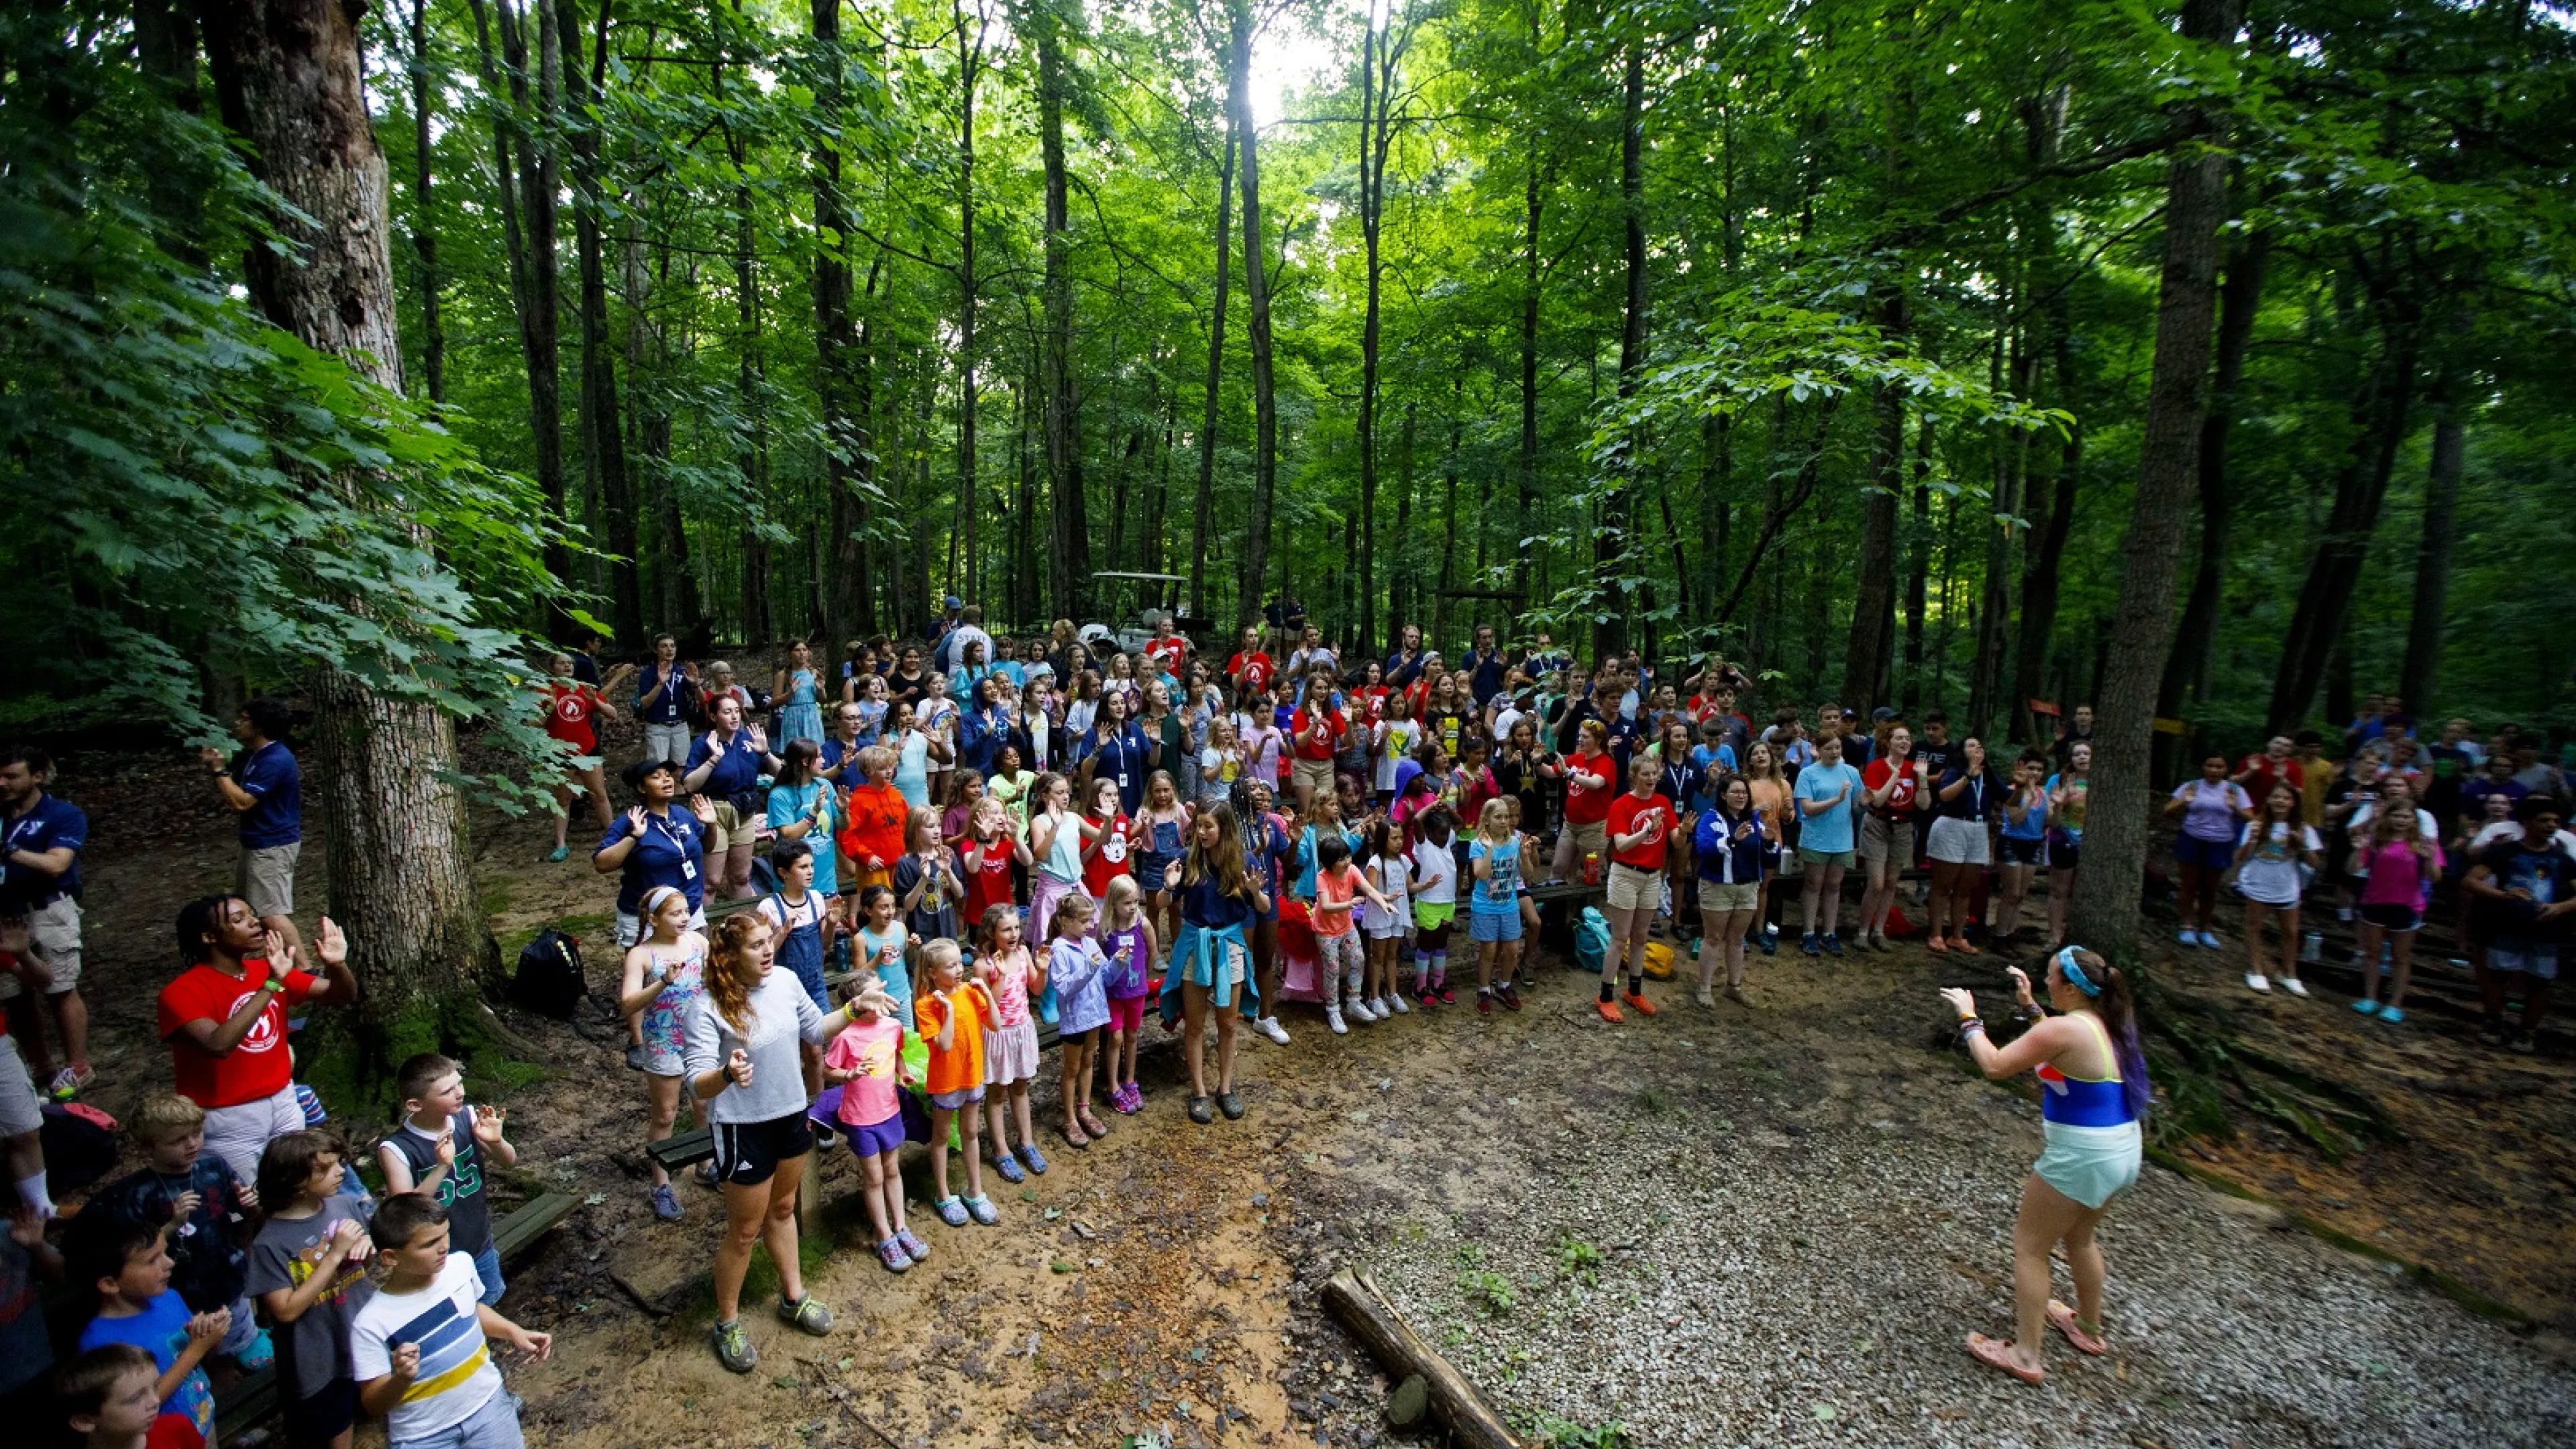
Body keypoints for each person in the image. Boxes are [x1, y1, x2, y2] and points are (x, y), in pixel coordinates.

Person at [1941, 945, 2149, 1385]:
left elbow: (1996, 1065)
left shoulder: (2063, 1031)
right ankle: (2089, 1328)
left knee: (2031, 1249)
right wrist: (2031, 1006)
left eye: (2051, 975)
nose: (2045, 979)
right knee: (2081, 1238)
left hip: (2083, 1156)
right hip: (2123, 1150)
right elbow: (2060, 1049)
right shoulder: (2106, 1024)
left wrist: (1968, 1017)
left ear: (2071, 988)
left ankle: (2026, 1354)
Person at [682, 914, 858, 1372]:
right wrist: (726, 1074)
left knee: (783, 1209)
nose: (767, 951)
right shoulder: (708, 1005)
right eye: (756, 945)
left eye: (769, 942)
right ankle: (726, 1323)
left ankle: (793, 1296)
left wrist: (858, 1009)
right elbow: (696, 1085)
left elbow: (815, 1030)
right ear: (729, 957)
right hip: (743, 1128)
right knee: (744, 1231)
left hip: (791, 1114)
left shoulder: (784, 980)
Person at [157, 902, 357, 1183]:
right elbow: (218, 1045)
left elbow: (340, 996)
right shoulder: (180, 993)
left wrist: (336, 965)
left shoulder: (267, 968)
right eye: (239, 919)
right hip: (228, 1118)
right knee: (247, 1201)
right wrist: (272, 984)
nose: (255, 923)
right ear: (209, 937)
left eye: (253, 915)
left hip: (283, 1100)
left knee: (300, 1185)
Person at [87, 1094, 268, 1373]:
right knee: (199, 1349)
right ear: (149, 1147)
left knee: (237, 1324)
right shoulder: (139, 1193)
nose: (192, 1144)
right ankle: (213, 1375)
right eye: (177, 1140)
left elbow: (245, 1216)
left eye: (196, 1133)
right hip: (179, 1290)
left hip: (227, 1274)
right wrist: (172, 1224)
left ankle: (245, 1348)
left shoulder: (214, 1168)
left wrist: (251, 1205)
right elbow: (132, 1251)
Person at [350, 1193, 550, 1444]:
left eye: (445, 1234)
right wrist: (401, 1378)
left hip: (489, 1407)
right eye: (429, 1244)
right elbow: (374, 1405)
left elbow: (472, 1310)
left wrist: (513, 1332)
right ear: (390, 1257)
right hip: (424, 1435)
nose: (444, 1246)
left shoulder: (460, 1266)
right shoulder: (371, 1323)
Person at [248, 1130, 373, 1449]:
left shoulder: (344, 1205)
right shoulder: (270, 1243)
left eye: (339, 1163)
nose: (341, 1171)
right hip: (316, 1356)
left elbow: (362, 1269)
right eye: (327, 1168)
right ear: (297, 1182)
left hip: (358, 1332)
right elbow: (285, 1310)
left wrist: (366, 1250)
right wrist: (333, 1255)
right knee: (334, 1427)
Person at [68, 1218, 225, 1449]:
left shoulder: (169, 1298)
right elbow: (138, 1400)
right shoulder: (100, 1341)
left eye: (165, 1253)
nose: (170, 1262)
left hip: (202, 1420)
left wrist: (209, 1337)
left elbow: (203, 1359)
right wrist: (196, 1349)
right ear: (111, 1283)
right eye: (152, 1260)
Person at [1157, 804, 1266, 1124]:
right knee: (1195, 1023)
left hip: (1229, 944)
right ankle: (1200, 1091)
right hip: (1195, 944)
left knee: (1228, 1023)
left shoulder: (1245, 861)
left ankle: (1226, 1088)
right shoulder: (1187, 858)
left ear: (1225, 828)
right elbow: (1164, 904)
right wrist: (1167, 886)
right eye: (1198, 826)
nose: (1201, 833)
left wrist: (1256, 894)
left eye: (1208, 827)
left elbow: (1264, 905)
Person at [1, 744, 91, 1101]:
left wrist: (9, 851)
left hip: (49, 910)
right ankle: (41, 1065)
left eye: (11, 776)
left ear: (37, 777)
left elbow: (57, 865)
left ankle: (78, 1067)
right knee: (13, 995)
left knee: (60, 987)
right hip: (5, 913)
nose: (2, 783)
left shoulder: (62, 814)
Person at [820, 983, 926, 1275]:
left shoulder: (892, 1026)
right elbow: (826, 1069)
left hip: (889, 1111)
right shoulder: (845, 1036)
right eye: (873, 995)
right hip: (859, 1118)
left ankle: (901, 1227)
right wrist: (849, 1074)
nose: (881, 1000)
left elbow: (897, 1053)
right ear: (857, 1001)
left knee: (892, 1169)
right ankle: (884, 1236)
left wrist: (902, 1072)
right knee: (874, 1176)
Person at [614, 886, 705, 1221]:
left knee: (704, 1103)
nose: (683, 919)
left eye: (685, 912)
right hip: (662, 1041)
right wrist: (663, 982)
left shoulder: (698, 943)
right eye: (674, 913)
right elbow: (628, 1004)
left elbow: (712, 982)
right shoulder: (641, 955)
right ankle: (661, 1184)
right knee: (666, 1114)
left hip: (699, 1038)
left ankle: (705, 1164)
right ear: (654, 919)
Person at [199, 698, 305, 973]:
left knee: (270, 911)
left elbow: (242, 802)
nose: (238, 722)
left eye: (244, 718)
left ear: (260, 726)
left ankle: (305, 970)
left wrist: (218, 770)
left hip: (272, 844)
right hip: (257, 841)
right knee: (252, 907)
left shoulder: (275, 759)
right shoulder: (254, 756)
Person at [2463, 796, 2573, 1053]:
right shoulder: (2504, 852)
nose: (2551, 826)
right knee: (2497, 976)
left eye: (2555, 821)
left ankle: (2527, 1031)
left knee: (2540, 981)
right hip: (2506, 925)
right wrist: (2503, 896)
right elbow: (2470, 881)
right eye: (2544, 820)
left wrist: (2560, 908)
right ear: (2526, 823)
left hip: (2546, 930)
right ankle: (2493, 1021)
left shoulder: (2563, 859)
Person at [914, 938, 1001, 1230]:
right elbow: (945, 1044)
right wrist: (948, 1010)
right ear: (932, 973)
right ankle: (943, 1194)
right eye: (950, 965)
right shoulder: (926, 1005)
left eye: (959, 963)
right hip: (946, 1082)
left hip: (972, 1074)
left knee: (971, 1132)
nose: (959, 970)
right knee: (940, 1137)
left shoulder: (969, 992)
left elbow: (996, 1024)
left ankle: (975, 1192)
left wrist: (988, 993)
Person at [594, 759, 715, 947]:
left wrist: (712, 825)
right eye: (656, 777)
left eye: (668, 775)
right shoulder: (631, 820)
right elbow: (601, 864)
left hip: (688, 908)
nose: (666, 780)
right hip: (647, 915)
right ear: (642, 788)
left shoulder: (682, 814)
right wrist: (634, 837)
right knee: (651, 974)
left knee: (695, 970)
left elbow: (707, 848)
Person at [682, 695, 783, 904]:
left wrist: (765, 753)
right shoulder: (703, 743)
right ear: (713, 716)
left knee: (741, 877)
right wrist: (713, 759)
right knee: (711, 881)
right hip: (713, 810)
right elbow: (689, 785)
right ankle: (702, 928)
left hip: (744, 810)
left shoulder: (748, 739)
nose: (734, 716)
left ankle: (744, 928)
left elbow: (781, 775)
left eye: (736, 711)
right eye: (727, 712)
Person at [975, 907, 1049, 1185]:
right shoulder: (984, 966)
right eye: (1006, 929)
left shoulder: (1024, 953)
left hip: (1021, 1029)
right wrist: (1002, 976)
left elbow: (1037, 990)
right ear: (991, 933)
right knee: (997, 1092)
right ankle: (1001, 1150)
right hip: (998, 1034)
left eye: (1017, 928)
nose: (1014, 934)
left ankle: (1026, 1143)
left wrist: (1041, 971)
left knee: (1020, 1086)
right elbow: (986, 1007)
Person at [1600, 755, 1672, 1024]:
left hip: (1652, 876)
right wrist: (1645, 831)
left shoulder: (1663, 803)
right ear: (1634, 776)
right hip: (1625, 875)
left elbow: (1674, 837)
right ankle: (1606, 995)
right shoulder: (1621, 805)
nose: (1651, 779)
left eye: (1654, 774)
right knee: (1619, 938)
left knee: (1641, 936)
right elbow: (1620, 845)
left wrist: (1684, 830)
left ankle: (1634, 991)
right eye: (1645, 774)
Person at [2350, 801, 2436, 1024]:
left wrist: (2429, 859)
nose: (2401, 820)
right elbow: (2352, 869)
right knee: (2372, 953)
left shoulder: (2422, 844)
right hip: (2374, 901)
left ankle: (2395, 1004)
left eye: (2406, 817)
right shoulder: (2375, 842)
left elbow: (2435, 877)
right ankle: (2370, 998)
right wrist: (2358, 850)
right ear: (2388, 818)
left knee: (2401, 956)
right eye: (2396, 815)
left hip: (2406, 905)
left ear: (2414, 821)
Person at [2233, 783, 2320, 996]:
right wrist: (2252, 840)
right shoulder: (2257, 824)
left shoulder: (2302, 828)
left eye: (2285, 798)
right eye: (2276, 797)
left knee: (2290, 932)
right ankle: (2256, 970)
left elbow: (2315, 864)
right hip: (2258, 883)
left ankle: (2289, 974)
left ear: (2293, 803)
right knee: (2254, 927)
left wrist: (2302, 845)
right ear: (2269, 801)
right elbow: (2239, 858)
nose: (2280, 802)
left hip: (2286, 885)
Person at [1045, 892, 1114, 1147]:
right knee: (1072, 1068)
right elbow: (1063, 988)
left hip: (1095, 1013)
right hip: (1075, 1018)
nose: (1090, 926)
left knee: (1088, 1061)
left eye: (1090, 921)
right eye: (1084, 922)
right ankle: (1070, 1118)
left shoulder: (1090, 943)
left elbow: (1105, 974)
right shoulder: (1059, 950)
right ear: (1065, 921)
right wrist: (1088, 968)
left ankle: (1084, 1109)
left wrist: (1118, 964)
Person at [540, 653, 621, 864]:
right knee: (562, 799)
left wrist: (596, 702)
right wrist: (549, 706)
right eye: (562, 663)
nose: (567, 666)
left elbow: (613, 714)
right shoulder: (544, 691)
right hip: (558, 752)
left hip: (587, 750)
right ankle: (560, 844)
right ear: (552, 668)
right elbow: (532, 725)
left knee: (599, 794)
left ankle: (614, 839)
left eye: (570, 663)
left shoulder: (584, 689)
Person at [1693, 775, 1766, 1008]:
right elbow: (1703, 848)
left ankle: (1734, 986)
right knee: (1713, 937)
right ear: (1723, 795)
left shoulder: (1754, 820)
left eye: (1744, 792)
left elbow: (1767, 853)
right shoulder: (1710, 819)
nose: (1741, 796)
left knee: (1737, 939)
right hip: (1718, 886)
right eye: (1735, 792)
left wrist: (1772, 843)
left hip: (1748, 885)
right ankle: (1704, 987)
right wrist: (1732, 840)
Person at [2166, 756, 2253, 950]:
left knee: (2210, 888)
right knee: (2189, 884)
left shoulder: (2235, 790)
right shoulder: (2191, 787)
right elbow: (2168, 810)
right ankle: (2186, 925)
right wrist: (2185, 803)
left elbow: (2250, 817)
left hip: (2220, 842)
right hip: (2192, 839)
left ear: (2225, 769)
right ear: (2203, 767)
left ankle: (2205, 928)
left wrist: (2234, 807)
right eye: (2210, 766)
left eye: (2219, 766)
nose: (2214, 770)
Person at [1925, 737, 1999, 955]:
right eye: (1971, 745)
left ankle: (1958, 936)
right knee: (1943, 884)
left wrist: (2023, 786)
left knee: (1966, 888)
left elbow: (2008, 798)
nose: (1977, 748)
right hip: (1952, 826)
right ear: (1961, 751)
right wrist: (1968, 777)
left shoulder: (1989, 775)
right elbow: (1945, 795)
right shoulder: (1955, 772)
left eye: (1980, 745)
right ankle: (1936, 934)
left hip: (1978, 829)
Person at [1854, 723, 1925, 953]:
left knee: (1892, 882)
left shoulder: (1915, 769)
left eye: (1908, 739)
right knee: (1876, 883)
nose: (1905, 743)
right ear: (1888, 743)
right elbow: (1877, 801)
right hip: (1877, 824)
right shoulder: (1876, 767)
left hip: (1903, 828)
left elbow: (1924, 805)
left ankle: (1879, 931)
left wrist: (1923, 780)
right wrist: (1893, 775)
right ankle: (1863, 931)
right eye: (1899, 739)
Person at [1794, 733, 1864, 955]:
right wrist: (1836, 799)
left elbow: (1858, 804)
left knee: (1834, 886)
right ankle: (1808, 933)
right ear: (1818, 749)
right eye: (1829, 748)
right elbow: (1807, 809)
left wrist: (1866, 802)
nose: (1834, 753)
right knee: (1814, 885)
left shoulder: (1851, 772)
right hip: (1816, 838)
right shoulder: (1808, 774)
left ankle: (1829, 933)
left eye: (1837, 748)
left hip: (1842, 838)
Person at [1097, 876, 1159, 1116]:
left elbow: (1153, 952)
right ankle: (1113, 1086)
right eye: (1127, 903)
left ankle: (1130, 1080)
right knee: (1116, 1037)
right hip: (1113, 993)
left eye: (1135, 902)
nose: (1132, 907)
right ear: (1114, 903)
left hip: (1136, 991)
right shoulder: (1106, 930)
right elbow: (1100, 958)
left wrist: (1144, 974)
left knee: (1132, 1035)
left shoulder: (1142, 925)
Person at [55, 1342, 166, 1449]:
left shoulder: (176, 1427)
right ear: (85, 1421)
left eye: (155, 1387)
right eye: (135, 1399)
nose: (156, 1401)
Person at [1993, 754, 2052, 948]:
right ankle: (2000, 936)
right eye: (2031, 768)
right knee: (2011, 892)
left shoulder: (2044, 794)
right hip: (2011, 843)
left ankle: (2011, 933)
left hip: (2033, 844)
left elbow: (2051, 822)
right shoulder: (2011, 791)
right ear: (2022, 769)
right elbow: (2015, 819)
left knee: (2021, 895)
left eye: (2039, 769)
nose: (2035, 773)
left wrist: (2058, 805)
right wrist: (2028, 801)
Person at [891, 810, 964, 947]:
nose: (937, 831)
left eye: (938, 826)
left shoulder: (947, 855)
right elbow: (908, 906)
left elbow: (959, 894)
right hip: (921, 933)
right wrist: (923, 879)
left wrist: (948, 872)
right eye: (931, 827)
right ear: (916, 830)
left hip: (947, 928)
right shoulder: (906, 862)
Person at [2044, 743, 2091, 948]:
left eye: (2087, 753)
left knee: (2082, 892)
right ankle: (2055, 936)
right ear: (2070, 758)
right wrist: (2061, 803)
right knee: (2059, 890)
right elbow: (2050, 821)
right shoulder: (2058, 780)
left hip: (2090, 844)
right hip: (2062, 840)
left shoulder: (2103, 781)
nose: (2082, 757)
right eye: (2077, 754)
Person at [633, 635, 698, 769]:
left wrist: (696, 684)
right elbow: (645, 703)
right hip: (658, 727)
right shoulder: (648, 673)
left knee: (681, 769)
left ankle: (679, 790)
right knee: (658, 769)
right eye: (664, 646)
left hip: (680, 726)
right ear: (656, 650)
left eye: (672, 646)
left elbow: (701, 700)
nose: (669, 649)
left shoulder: (682, 672)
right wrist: (660, 684)